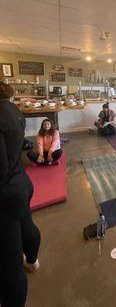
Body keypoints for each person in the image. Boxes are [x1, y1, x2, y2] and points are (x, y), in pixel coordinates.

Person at [0, 81, 41, 307]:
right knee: (26, 226)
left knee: (9, 265)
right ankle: (33, 261)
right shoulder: (14, 110)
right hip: (22, 184)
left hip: (5, 194)